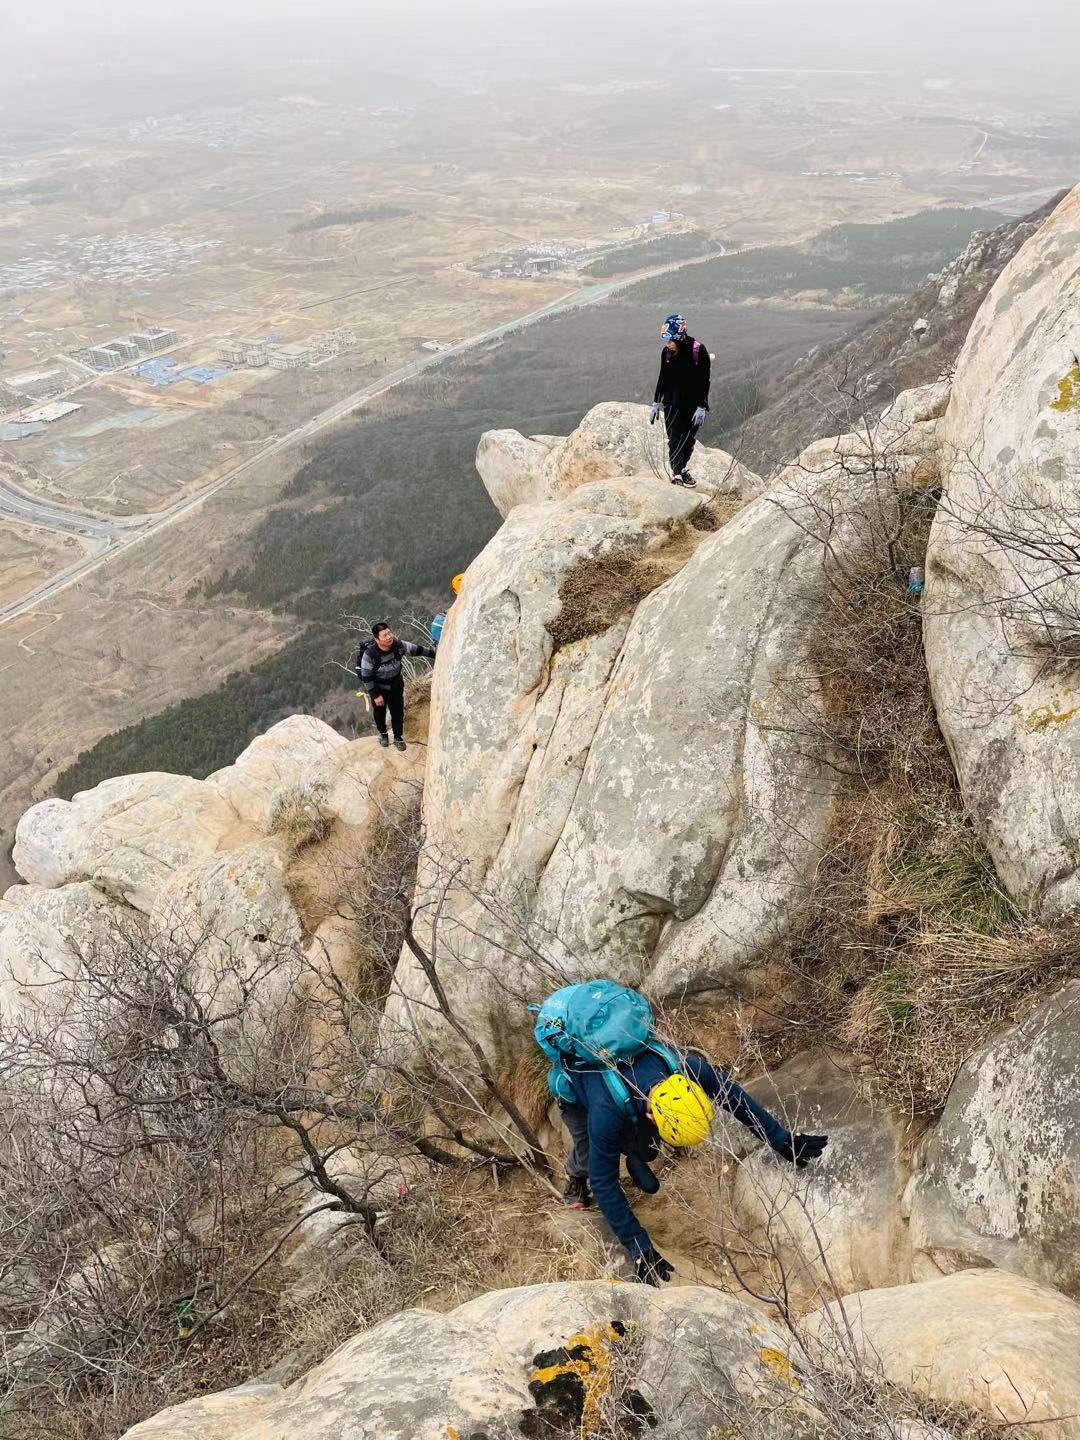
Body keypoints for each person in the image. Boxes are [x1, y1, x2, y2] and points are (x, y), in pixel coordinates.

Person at [558, 1035, 828, 1286]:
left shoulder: (687, 1069)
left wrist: (782, 1141)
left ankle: (634, 1151)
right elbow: (605, 1182)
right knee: (589, 1154)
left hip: (631, 1096)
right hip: (577, 1091)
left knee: (646, 1149)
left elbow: (734, 1098)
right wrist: (637, 1244)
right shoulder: (605, 1114)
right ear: (652, 1118)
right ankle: (576, 1179)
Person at [649, 313, 711, 488]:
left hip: (692, 404)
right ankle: (677, 474)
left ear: (679, 336)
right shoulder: (667, 353)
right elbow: (663, 377)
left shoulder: (697, 351)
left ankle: (682, 469)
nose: (667, 344)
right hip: (672, 403)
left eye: (670, 340)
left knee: (688, 439)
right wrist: (656, 402)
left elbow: (704, 380)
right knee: (675, 438)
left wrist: (702, 405)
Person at [356, 622, 434, 751]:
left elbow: (418, 650)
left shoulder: (398, 646)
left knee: (397, 712)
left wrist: (436, 653)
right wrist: (375, 695)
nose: (389, 637)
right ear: (377, 639)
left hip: (396, 685)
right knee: (379, 713)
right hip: (379, 688)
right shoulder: (370, 654)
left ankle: (398, 737)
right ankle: (383, 734)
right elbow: (366, 676)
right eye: (384, 635)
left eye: (389, 633)